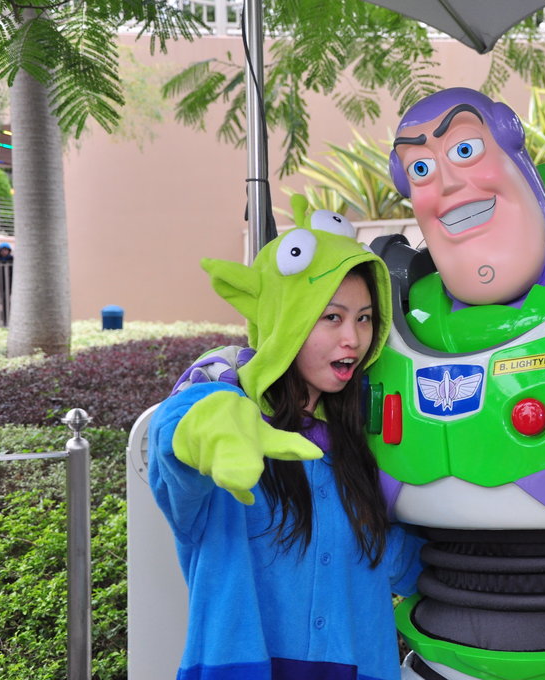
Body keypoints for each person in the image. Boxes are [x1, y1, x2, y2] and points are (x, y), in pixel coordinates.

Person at [164, 88, 545, 680]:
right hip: (428, 660)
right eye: (421, 168)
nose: (448, 182)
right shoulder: (385, 346)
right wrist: (207, 399)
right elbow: (205, 416)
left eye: (464, 150)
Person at [148, 217, 424, 680]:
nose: (353, 339)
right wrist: (204, 422)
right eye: (332, 317)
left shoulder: (362, 446)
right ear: (286, 318)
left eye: (364, 318)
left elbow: (407, 565)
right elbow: (177, 446)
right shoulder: (228, 420)